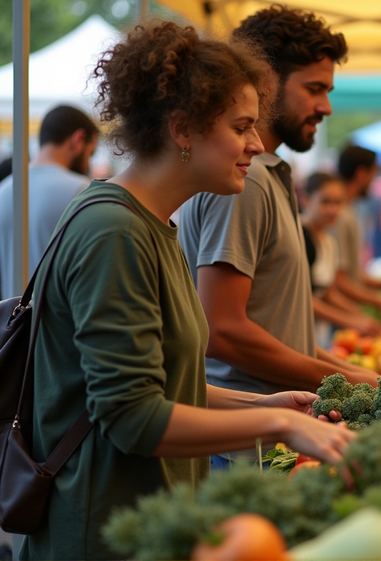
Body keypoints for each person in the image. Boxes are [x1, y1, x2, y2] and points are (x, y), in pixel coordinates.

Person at [22, 22, 355, 560]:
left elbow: (168, 385)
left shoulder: (153, 224)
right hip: (103, 533)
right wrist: (277, 424)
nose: (255, 144)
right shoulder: (114, 232)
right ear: (182, 129)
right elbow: (130, 415)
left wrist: (267, 403)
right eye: (241, 127)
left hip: (153, 523)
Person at [178, 7, 377, 415]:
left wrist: (351, 374)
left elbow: (282, 332)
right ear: (267, 80)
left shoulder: (267, 174)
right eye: (314, 89)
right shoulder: (245, 179)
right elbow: (222, 330)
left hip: (279, 424)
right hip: (245, 435)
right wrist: (347, 378)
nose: (326, 107)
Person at [0, 105, 98, 298]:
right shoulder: (82, 191)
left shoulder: (4, 189)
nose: (88, 163)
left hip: (12, 315)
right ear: (78, 140)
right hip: (60, 316)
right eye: (91, 153)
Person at [300, 172, 381, 344]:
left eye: (338, 203)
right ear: (306, 200)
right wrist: (350, 320)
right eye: (325, 202)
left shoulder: (328, 242)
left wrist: (360, 315)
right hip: (298, 335)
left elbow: (328, 293)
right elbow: (302, 299)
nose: (333, 210)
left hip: (318, 336)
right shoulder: (298, 237)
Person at [332, 145, 381, 322]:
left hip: (347, 314)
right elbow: (338, 281)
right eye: (374, 174)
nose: (374, 182)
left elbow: (353, 273)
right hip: (342, 315)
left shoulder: (349, 211)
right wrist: (380, 303)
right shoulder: (339, 215)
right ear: (361, 174)